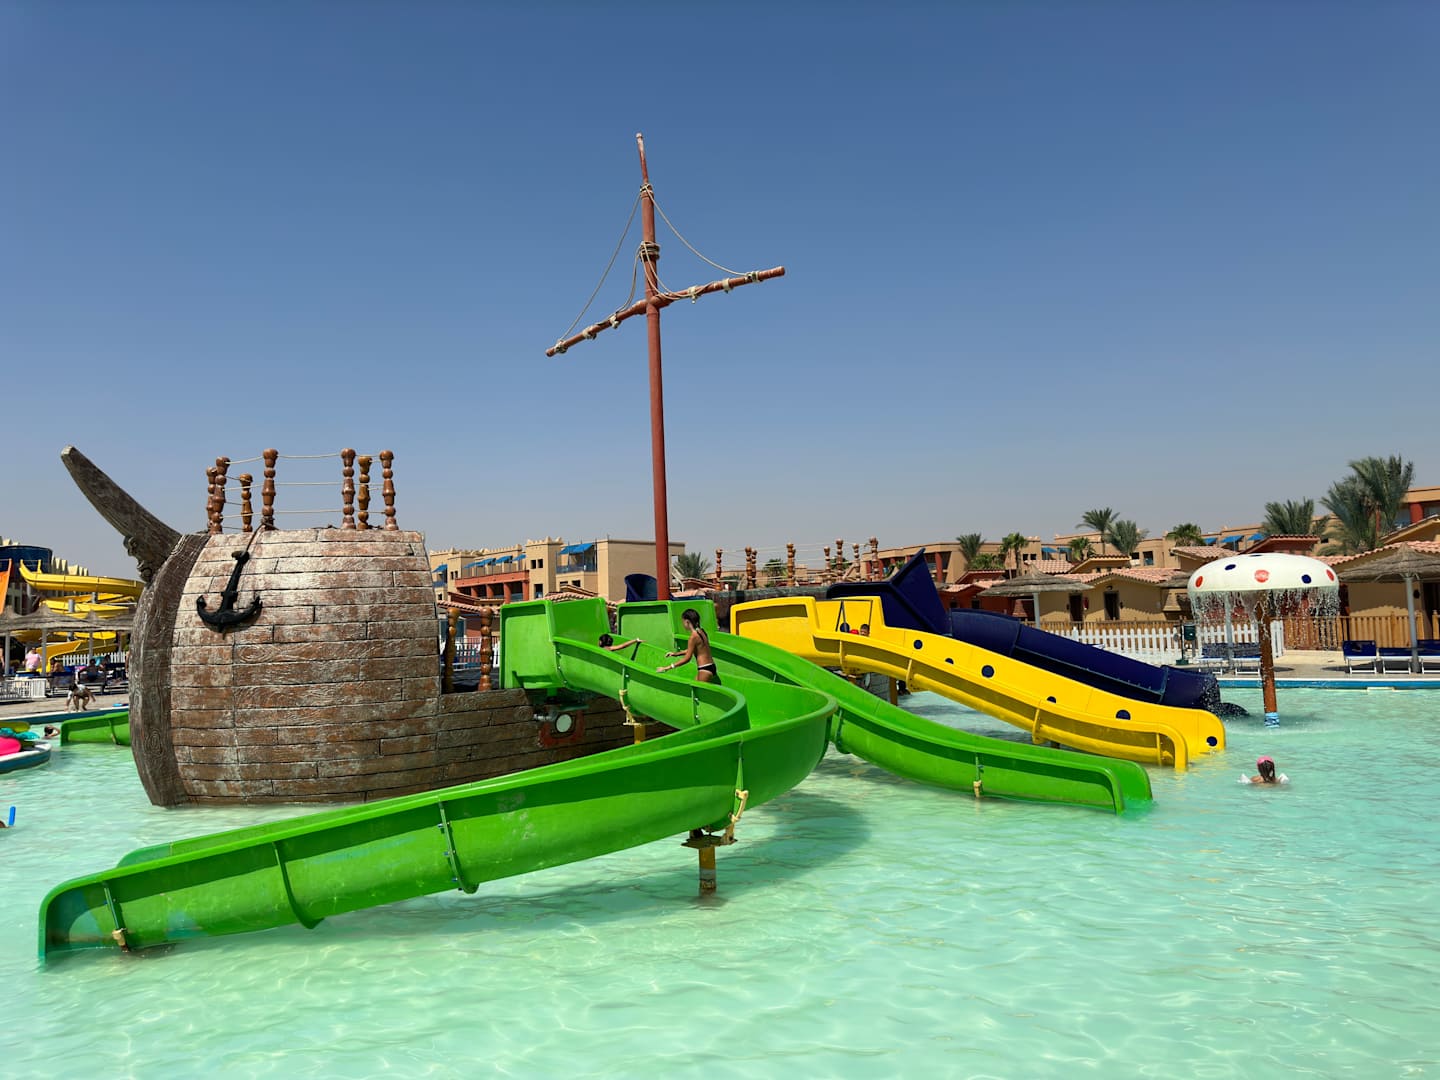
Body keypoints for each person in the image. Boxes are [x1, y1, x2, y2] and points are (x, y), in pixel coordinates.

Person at [658, 608, 721, 685]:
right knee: (694, 687)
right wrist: (675, 654)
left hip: (704, 669)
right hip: (711, 666)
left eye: (683, 622)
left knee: (698, 691)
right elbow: (693, 649)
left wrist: (667, 668)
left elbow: (687, 659)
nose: (683, 625)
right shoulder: (702, 631)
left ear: (687, 622)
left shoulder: (693, 637)